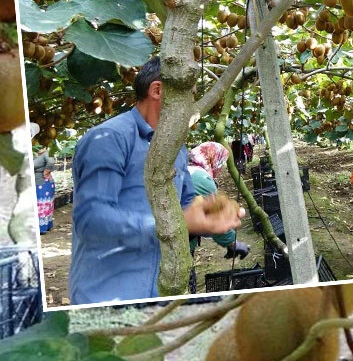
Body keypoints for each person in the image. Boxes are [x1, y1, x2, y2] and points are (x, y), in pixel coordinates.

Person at [68, 57, 244, 304]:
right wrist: (175, 224)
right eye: (188, 96)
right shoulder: (109, 139)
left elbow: (186, 205)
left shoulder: (176, 147)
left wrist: (210, 213)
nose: (192, 105)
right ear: (158, 90)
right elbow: (91, 220)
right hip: (108, 296)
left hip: (160, 291)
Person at [187, 141, 250, 260]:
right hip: (178, 241)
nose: (220, 169)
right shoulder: (203, 179)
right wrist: (232, 243)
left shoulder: (185, 169)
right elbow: (214, 218)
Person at [32, 143, 55, 234]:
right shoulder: (34, 153)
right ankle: (43, 226)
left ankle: (42, 228)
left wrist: (46, 171)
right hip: (38, 183)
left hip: (43, 184)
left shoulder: (45, 153)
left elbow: (51, 161)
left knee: (42, 205)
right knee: (40, 205)